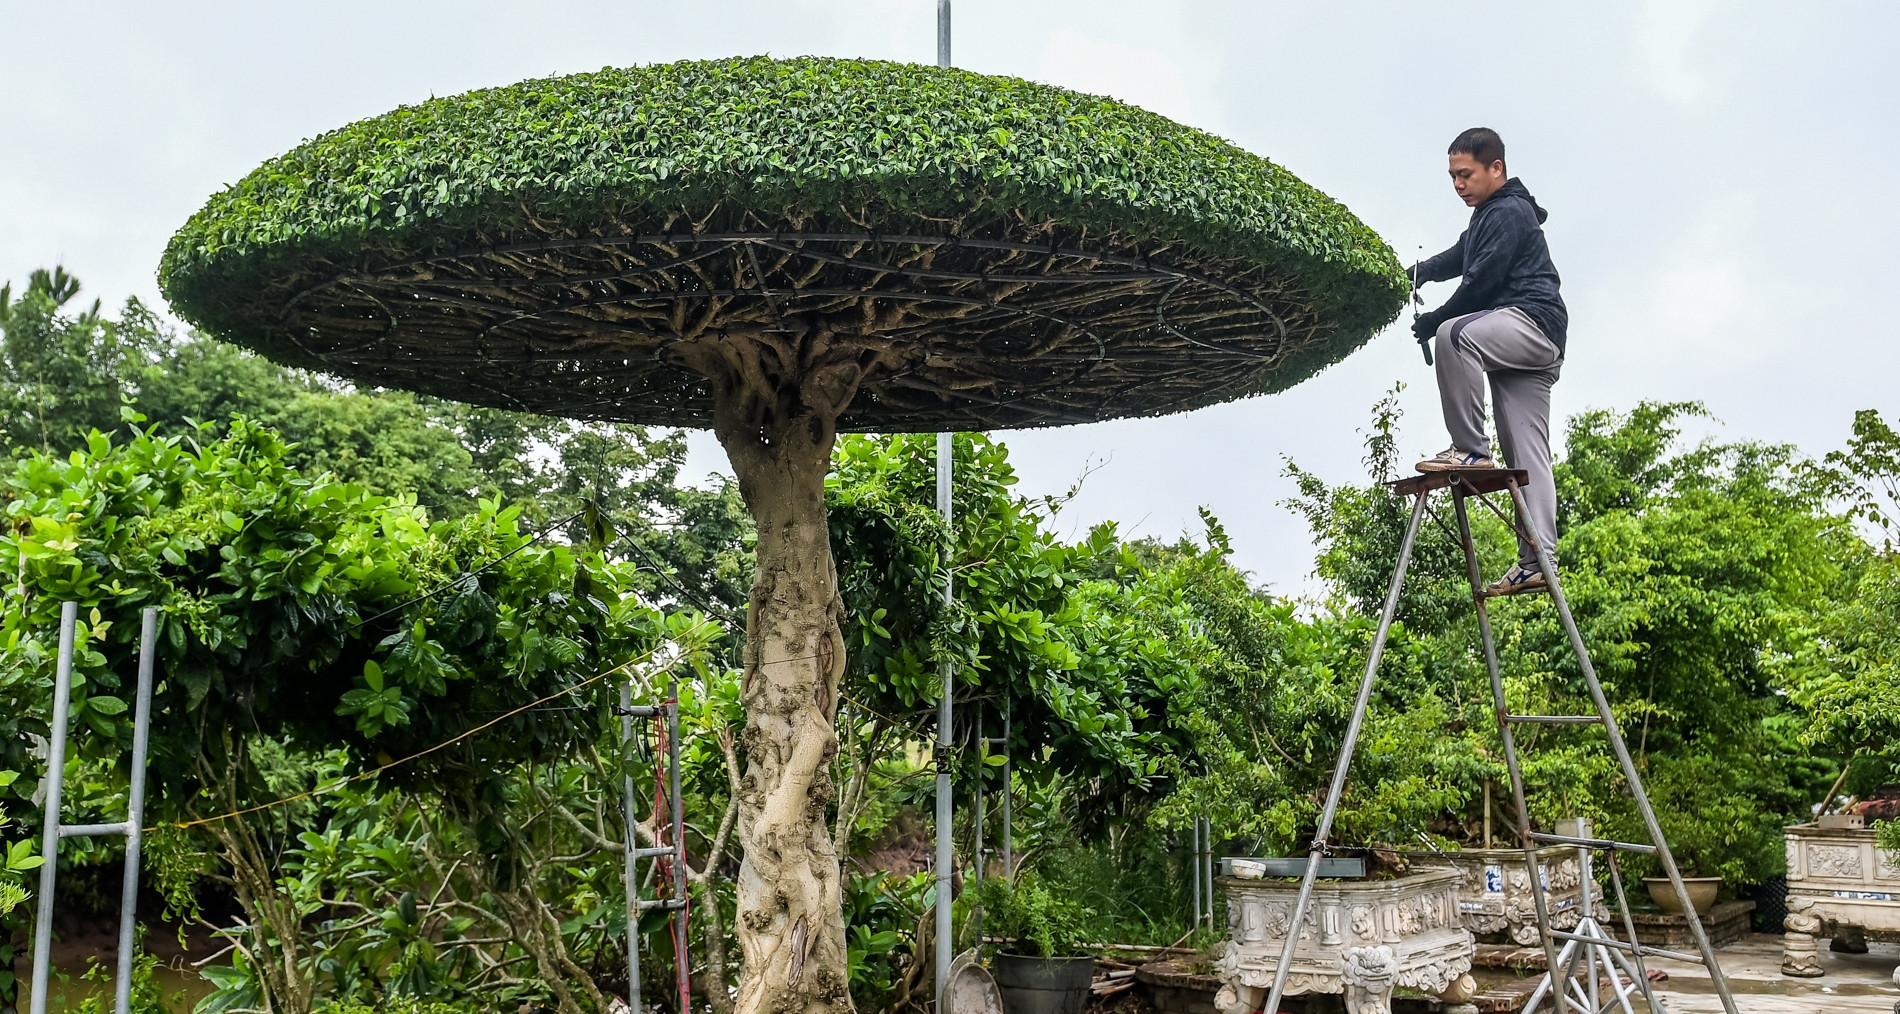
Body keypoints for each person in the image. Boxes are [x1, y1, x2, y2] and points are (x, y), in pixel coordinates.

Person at [1408, 127, 1568, 595]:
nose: (1458, 185)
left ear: (1495, 168)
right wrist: (1416, 273)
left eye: (1466, 175)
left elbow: (1479, 283)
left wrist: (1435, 317)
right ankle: (1539, 560)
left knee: (1455, 336)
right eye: (1452, 177)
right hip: (1532, 346)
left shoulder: (1509, 211)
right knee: (1525, 453)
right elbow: (1461, 256)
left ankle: (1470, 448)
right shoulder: (1486, 216)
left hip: (1531, 321)